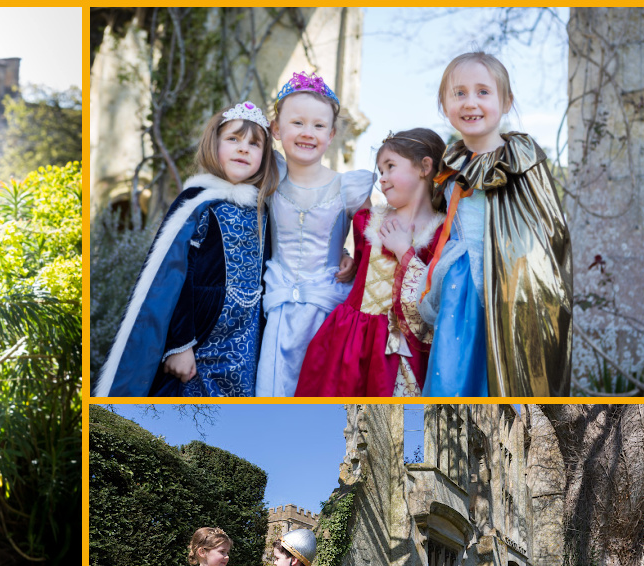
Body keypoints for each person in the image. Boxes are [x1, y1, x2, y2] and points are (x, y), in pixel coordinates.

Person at [96, 101, 279, 397]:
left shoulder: (264, 210)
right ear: (213, 144)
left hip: (246, 341)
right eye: (233, 139)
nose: (243, 148)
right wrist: (180, 345)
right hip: (202, 339)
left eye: (254, 144)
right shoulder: (198, 202)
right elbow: (173, 278)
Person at [420, 51, 572, 397]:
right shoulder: (451, 166)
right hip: (462, 290)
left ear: (506, 102)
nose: (470, 102)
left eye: (483, 92)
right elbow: (443, 227)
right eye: (458, 93)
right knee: (456, 382)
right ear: (444, 105)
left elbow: (549, 233)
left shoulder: (522, 158)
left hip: (513, 293)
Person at [296, 129, 447, 396]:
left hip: (399, 348)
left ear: (425, 167)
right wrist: (345, 256)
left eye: (390, 167)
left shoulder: (441, 234)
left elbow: (433, 299)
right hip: (349, 340)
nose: (382, 179)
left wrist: (404, 251)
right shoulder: (367, 221)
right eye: (380, 171)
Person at [256, 71, 374, 397]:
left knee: (319, 386)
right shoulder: (269, 175)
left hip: (328, 306)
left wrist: (348, 257)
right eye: (297, 123)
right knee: (274, 387)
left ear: (332, 133)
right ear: (276, 129)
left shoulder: (349, 187)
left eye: (319, 126)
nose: (308, 133)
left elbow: (370, 244)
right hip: (278, 306)